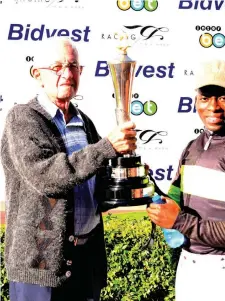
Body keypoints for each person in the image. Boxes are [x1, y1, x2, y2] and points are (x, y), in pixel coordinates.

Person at [0, 37, 137, 301]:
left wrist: (126, 175)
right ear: (38, 75)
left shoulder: (84, 121)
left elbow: (96, 189)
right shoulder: (23, 118)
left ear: (81, 72)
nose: (67, 73)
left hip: (85, 263)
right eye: (57, 66)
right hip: (40, 268)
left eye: (73, 66)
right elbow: (49, 177)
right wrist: (107, 147)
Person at [147, 60, 225, 301]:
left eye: (223, 97)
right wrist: (145, 183)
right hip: (188, 267)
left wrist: (182, 222)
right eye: (205, 97)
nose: (213, 106)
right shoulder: (193, 147)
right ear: (196, 101)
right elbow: (174, 203)